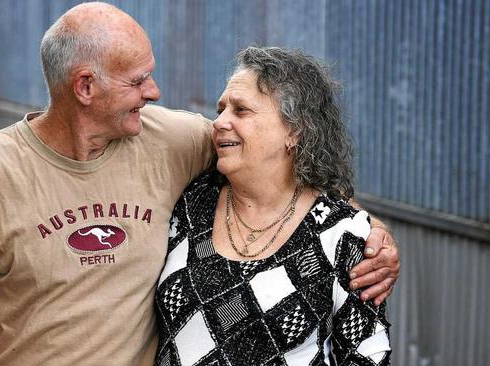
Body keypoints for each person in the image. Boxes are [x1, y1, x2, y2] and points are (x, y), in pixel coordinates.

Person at [0, 3, 398, 365]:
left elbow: (280, 172)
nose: (154, 92)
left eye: (151, 76)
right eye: (138, 80)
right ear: (85, 87)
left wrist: (369, 231)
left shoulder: (172, 141)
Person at [155, 47, 391, 365]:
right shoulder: (191, 202)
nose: (219, 122)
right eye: (221, 109)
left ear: (294, 131)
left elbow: (365, 355)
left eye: (241, 111)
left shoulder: (341, 233)